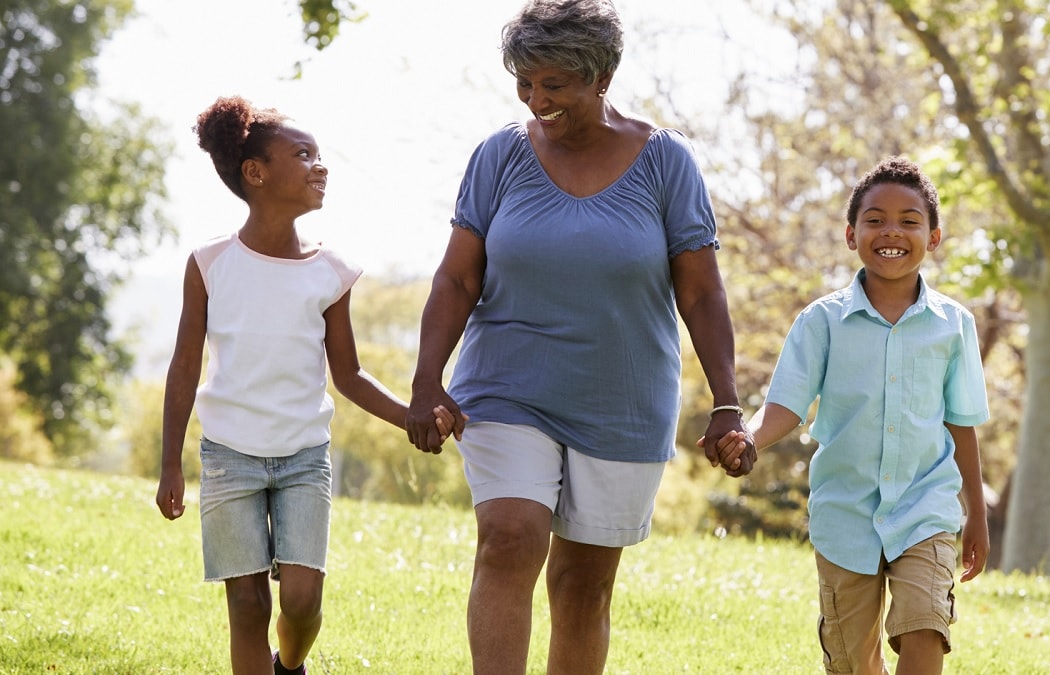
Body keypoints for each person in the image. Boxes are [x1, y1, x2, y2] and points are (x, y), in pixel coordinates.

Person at [403, 1, 755, 672]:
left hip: (620, 399)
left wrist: (727, 400)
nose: (537, 100)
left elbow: (702, 291)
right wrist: (427, 380)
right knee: (508, 538)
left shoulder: (665, 163)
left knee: (581, 588)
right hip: (506, 385)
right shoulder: (499, 156)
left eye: (554, 84)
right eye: (525, 84)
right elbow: (455, 279)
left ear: (603, 75)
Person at [154, 95, 453, 675]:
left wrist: (411, 416)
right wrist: (171, 463)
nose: (320, 166)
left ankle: (289, 667)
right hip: (228, 458)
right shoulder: (210, 263)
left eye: (319, 155)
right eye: (303, 154)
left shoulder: (330, 271)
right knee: (246, 604)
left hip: (302, 458)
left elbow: (349, 375)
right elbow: (184, 366)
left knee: (302, 602)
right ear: (256, 173)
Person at [712, 156, 990, 674]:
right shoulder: (821, 322)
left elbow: (962, 422)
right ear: (850, 233)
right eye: (875, 219)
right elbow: (786, 406)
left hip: (924, 508)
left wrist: (976, 511)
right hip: (844, 515)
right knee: (852, 664)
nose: (892, 232)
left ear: (933, 237)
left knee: (925, 628)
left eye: (910, 221)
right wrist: (748, 437)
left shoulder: (954, 326)